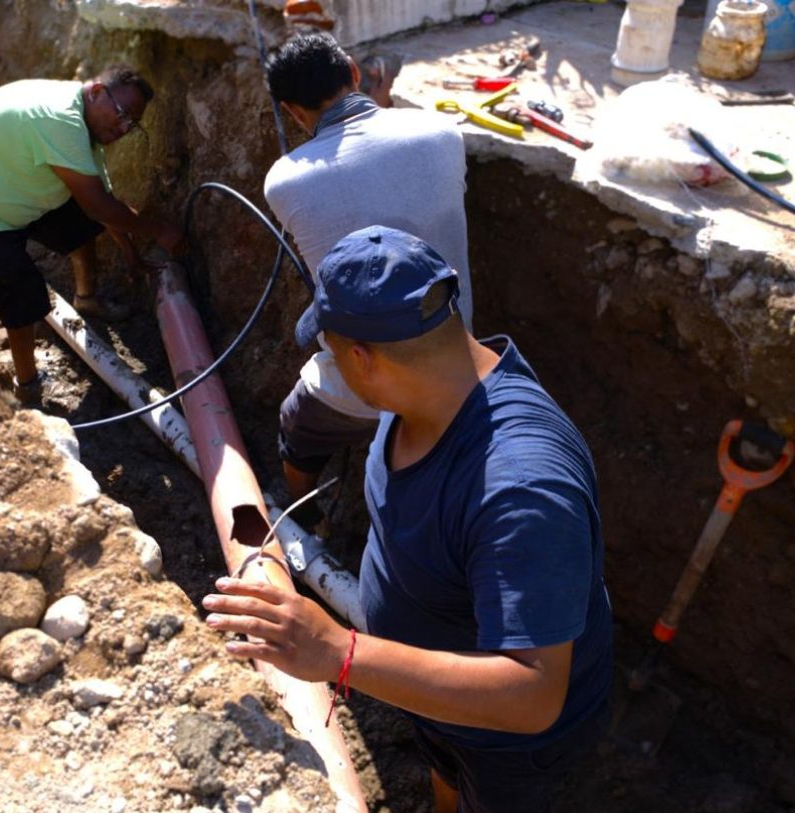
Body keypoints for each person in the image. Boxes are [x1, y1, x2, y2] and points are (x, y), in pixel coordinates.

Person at [203, 227, 614, 813]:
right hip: (436, 700)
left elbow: (531, 696)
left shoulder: (520, 488)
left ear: (362, 359)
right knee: (444, 769)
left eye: (332, 352)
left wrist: (339, 653)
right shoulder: (428, 394)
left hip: (508, 745)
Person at [262, 32, 473, 521]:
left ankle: (300, 515)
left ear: (293, 111)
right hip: (458, 365)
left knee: (297, 426)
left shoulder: (284, 180)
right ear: (354, 73)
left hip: (360, 386)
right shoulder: (443, 132)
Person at [0, 65, 184, 401]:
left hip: (10, 177)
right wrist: (161, 230)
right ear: (95, 92)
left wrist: (132, 255)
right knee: (23, 298)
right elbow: (100, 208)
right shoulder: (61, 121)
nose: (123, 127)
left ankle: (86, 299)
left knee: (82, 219)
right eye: (122, 114)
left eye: (131, 123)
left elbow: (106, 207)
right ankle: (27, 385)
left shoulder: (82, 125)